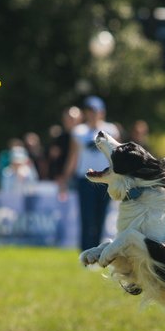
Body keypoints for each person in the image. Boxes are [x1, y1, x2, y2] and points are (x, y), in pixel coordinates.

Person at [62, 95, 121, 251]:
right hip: (85, 179)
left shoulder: (111, 130)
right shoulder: (78, 132)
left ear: (102, 112)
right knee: (87, 217)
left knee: (101, 216)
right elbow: (73, 157)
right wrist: (65, 178)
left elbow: (117, 156)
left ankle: (97, 250)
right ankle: (85, 250)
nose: (93, 114)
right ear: (86, 113)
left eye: (96, 111)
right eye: (90, 111)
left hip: (106, 179)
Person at [48, 106, 81, 183]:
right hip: (64, 180)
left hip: (84, 178)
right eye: (68, 119)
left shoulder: (86, 138)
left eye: (73, 119)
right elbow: (54, 160)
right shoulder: (59, 139)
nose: (70, 121)